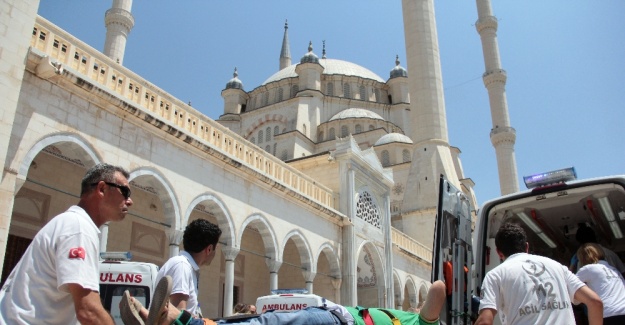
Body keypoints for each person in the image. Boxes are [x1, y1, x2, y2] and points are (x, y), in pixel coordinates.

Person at [0, 163, 133, 324]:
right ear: (102, 189)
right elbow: (88, 311)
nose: (129, 201)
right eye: (125, 192)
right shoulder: (79, 228)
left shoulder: (72, 224)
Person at [122, 277, 448, 325]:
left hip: (333, 321)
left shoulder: (419, 323)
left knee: (265, 323)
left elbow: (437, 288)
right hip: (327, 313)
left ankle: (173, 318)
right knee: (249, 321)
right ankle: (173, 319)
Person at [475, 222, 604, 325]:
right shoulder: (557, 267)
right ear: (526, 247)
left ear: (498, 252)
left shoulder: (495, 275)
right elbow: (595, 301)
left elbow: (485, 321)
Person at [155, 218, 222, 317]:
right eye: (215, 249)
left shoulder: (184, 266)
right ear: (209, 249)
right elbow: (178, 315)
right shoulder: (182, 266)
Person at [576, 243, 625, 324]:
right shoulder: (614, 270)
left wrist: (572, 264)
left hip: (608, 314)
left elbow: (569, 286)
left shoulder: (588, 269)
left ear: (582, 258)